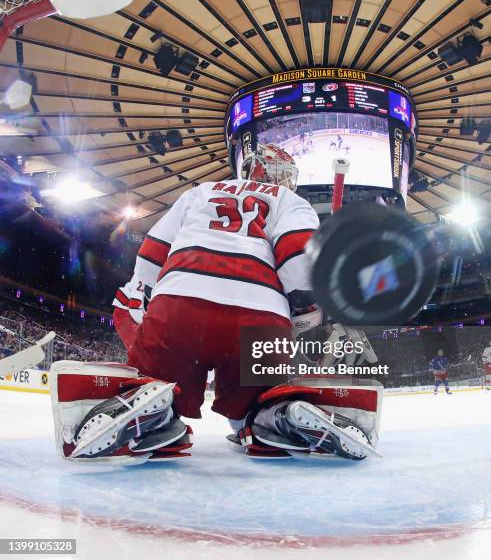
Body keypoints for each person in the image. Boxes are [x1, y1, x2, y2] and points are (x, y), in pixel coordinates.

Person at [50, 143, 383, 463]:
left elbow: (150, 258)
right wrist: (311, 302)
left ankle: (158, 412)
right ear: (280, 175)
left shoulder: (200, 192)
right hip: (259, 316)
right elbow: (297, 265)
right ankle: (272, 419)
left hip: (180, 304)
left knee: (161, 386)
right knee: (254, 403)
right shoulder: (289, 201)